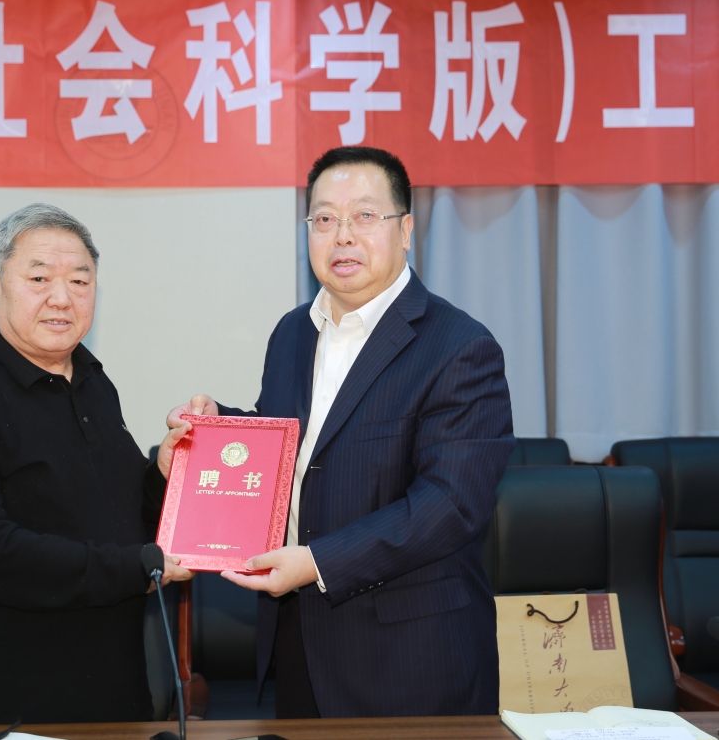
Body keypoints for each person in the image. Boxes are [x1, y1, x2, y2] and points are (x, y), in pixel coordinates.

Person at [169, 146, 514, 718]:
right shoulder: (292, 333)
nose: (343, 235)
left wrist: (318, 562)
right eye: (325, 218)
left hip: (410, 660)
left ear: (406, 230)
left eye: (365, 216)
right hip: (299, 645)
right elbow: (294, 444)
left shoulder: (459, 346)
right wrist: (210, 430)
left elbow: (451, 504)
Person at [0, 203, 192, 726]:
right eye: (39, 278)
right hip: (4, 704)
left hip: (112, 694)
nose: (62, 298)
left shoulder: (93, 381)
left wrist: (163, 473)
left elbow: (121, 510)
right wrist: (134, 568)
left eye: (80, 281)